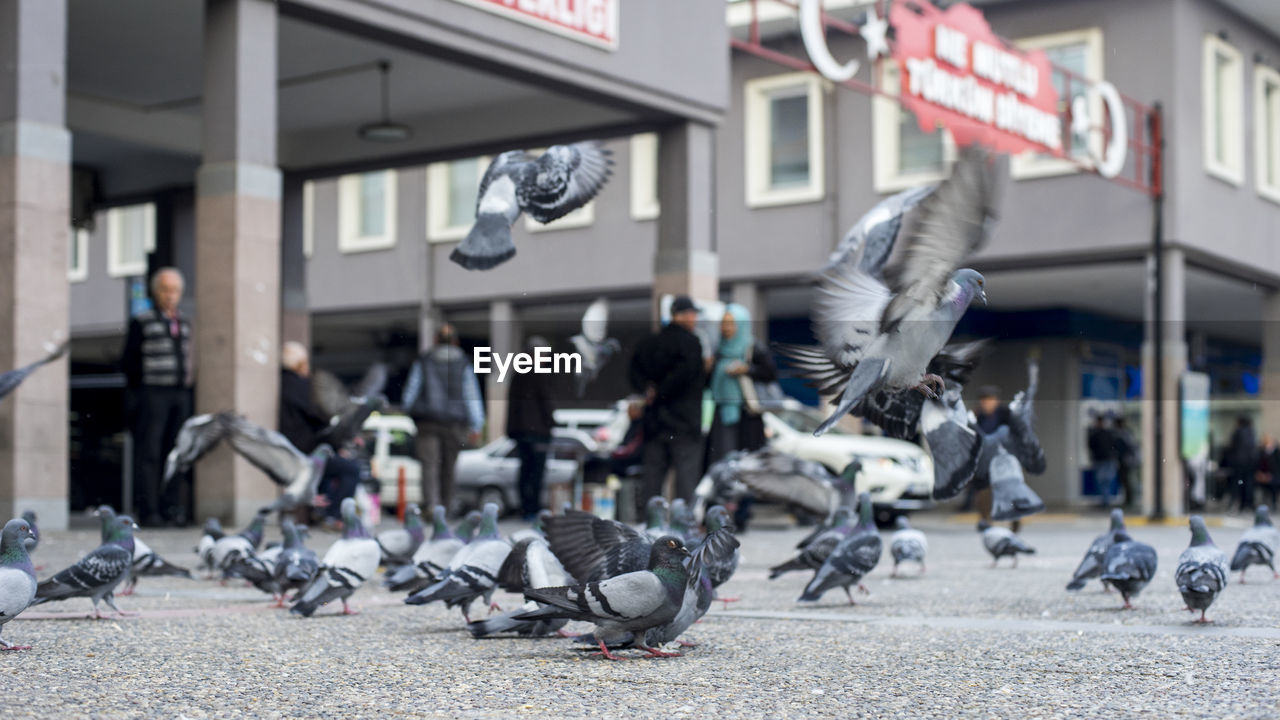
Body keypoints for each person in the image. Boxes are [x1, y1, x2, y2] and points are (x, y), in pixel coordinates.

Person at [121, 267, 193, 527]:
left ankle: (171, 508)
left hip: (179, 393)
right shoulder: (143, 321)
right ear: (156, 292)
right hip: (152, 393)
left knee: (175, 453)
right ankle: (149, 510)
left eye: (174, 291)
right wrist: (139, 392)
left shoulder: (183, 322)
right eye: (165, 290)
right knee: (149, 452)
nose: (170, 296)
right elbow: (129, 361)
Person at [629, 295, 706, 513]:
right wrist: (663, 391)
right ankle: (684, 527)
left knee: (653, 479)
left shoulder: (649, 343)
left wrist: (650, 391)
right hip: (684, 422)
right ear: (682, 315)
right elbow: (687, 376)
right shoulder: (692, 343)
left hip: (655, 422)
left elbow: (633, 375)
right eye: (692, 314)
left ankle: (650, 525)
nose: (694, 319)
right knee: (686, 480)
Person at [401, 324, 484, 516]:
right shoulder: (463, 362)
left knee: (429, 465)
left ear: (436, 340)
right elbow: (471, 395)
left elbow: (411, 391)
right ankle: (445, 508)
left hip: (427, 422)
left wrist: (409, 410)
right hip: (454, 424)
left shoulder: (424, 361)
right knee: (449, 467)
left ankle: (431, 505)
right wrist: (477, 424)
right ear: (456, 341)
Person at [705, 303, 777, 469]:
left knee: (748, 463)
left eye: (731, 323)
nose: (726, 328)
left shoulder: (753, 348)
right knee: (722, 460)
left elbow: (770, 373)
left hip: (747, 413)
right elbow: (708, 384)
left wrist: (747, 369)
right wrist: (707, 369)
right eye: (723, 323)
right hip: (722, 412)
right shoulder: (718, 350)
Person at [506, 336, 556, 521]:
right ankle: (533, 509)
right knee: (536, 472)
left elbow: (512, 405)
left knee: (525, 470)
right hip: (538, 432)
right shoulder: (539, 372)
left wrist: (512, 429)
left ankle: (525, 508)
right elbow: (546, 402)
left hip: (521, 432)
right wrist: (551, 423)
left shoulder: (517, 372)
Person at [969, 386, 1017, 530]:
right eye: (984, 401)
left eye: (990, 400)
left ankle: (1014, 518)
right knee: (982, 490)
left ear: (996, 401)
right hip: (984, 460)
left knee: (1008, 490)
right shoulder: (976, 416)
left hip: (1003, 459)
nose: (987, 404)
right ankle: (986, 520)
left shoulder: (1006, 415)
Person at [278, 341, 329, 454]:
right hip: (302, 449)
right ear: (300, 364)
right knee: (350, 468)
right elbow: (316, 416)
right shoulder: (299, 384)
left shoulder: (281, 380)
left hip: (287, 444)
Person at [1087, 414, 1119, 508]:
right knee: (1103, 480)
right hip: (1102, 459)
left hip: (1104, 459)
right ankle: (1105, 500)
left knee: (1104, 480)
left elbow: (1091, 446)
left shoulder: (1098, 433)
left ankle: (1105, 500)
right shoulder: (1102, 433)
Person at [1227, 416, 1258, 512]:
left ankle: (1236, 503)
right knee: (1248, 483)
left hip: (1239, 463)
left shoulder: (1238, 432)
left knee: (1238, 483)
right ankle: (1247, 503)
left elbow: (1232, 447)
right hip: (1250, 463)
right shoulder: (1251, 432)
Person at [1113, 417, 1138, 509]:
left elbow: (1128, 447)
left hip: (1126, 460)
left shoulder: (1124, 434)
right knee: (1125, 479)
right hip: (1126, 460)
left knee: (1126, 479)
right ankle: (1128, 498)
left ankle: (1129, 499)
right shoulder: (1125, 433)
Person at [1255, 433, 1280, 509]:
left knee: (1274, 484)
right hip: (1262, 475)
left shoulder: (1277, 452)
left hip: (1274, 475)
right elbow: (1257, 464)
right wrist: (1260, 473)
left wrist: (1270, 475)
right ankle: (1264, 502)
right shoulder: (1260, 451)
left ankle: (1273, 502)